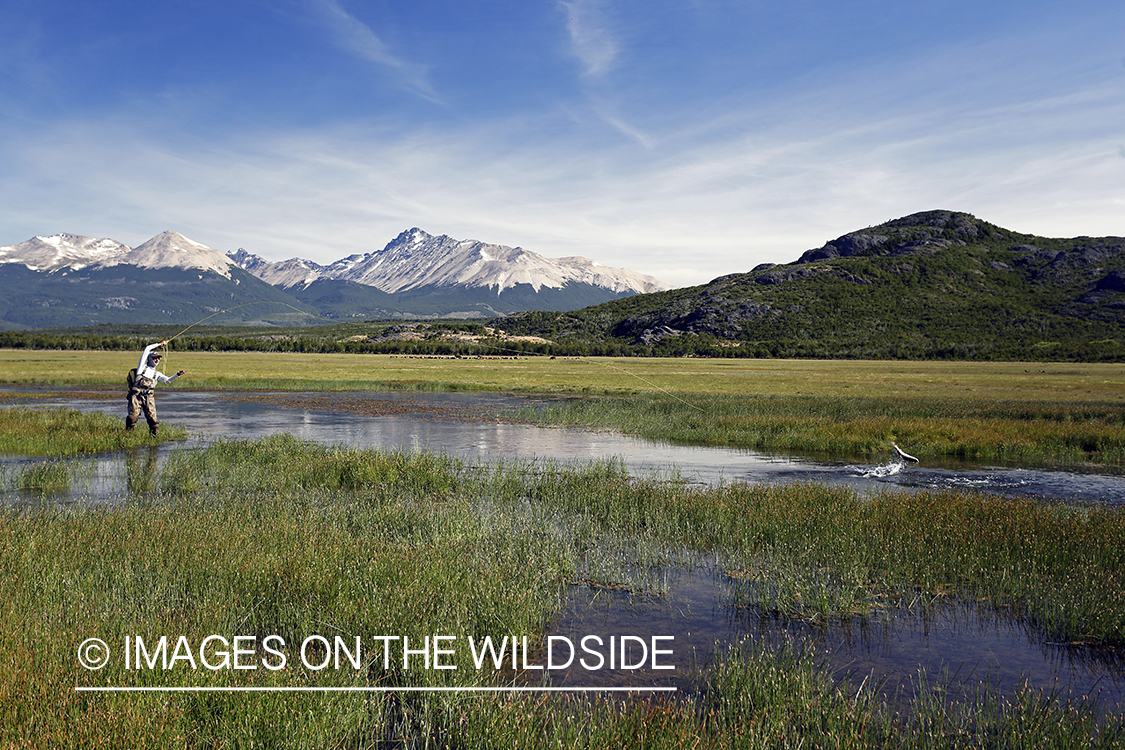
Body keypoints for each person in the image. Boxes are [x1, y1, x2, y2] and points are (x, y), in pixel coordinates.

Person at [126, 340, 185, 436]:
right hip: (136, 396)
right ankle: (128, 434)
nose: (156, 360)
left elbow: (168, 380)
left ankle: (154, 437)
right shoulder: (142, 366)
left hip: (149, 397)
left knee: (153, 419)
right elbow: (147, 348)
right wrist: (160, 344)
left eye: (158, 358)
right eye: (154, 358)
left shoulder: (157, 374)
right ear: (149, 358)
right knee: (133, 417)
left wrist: (178, 374)